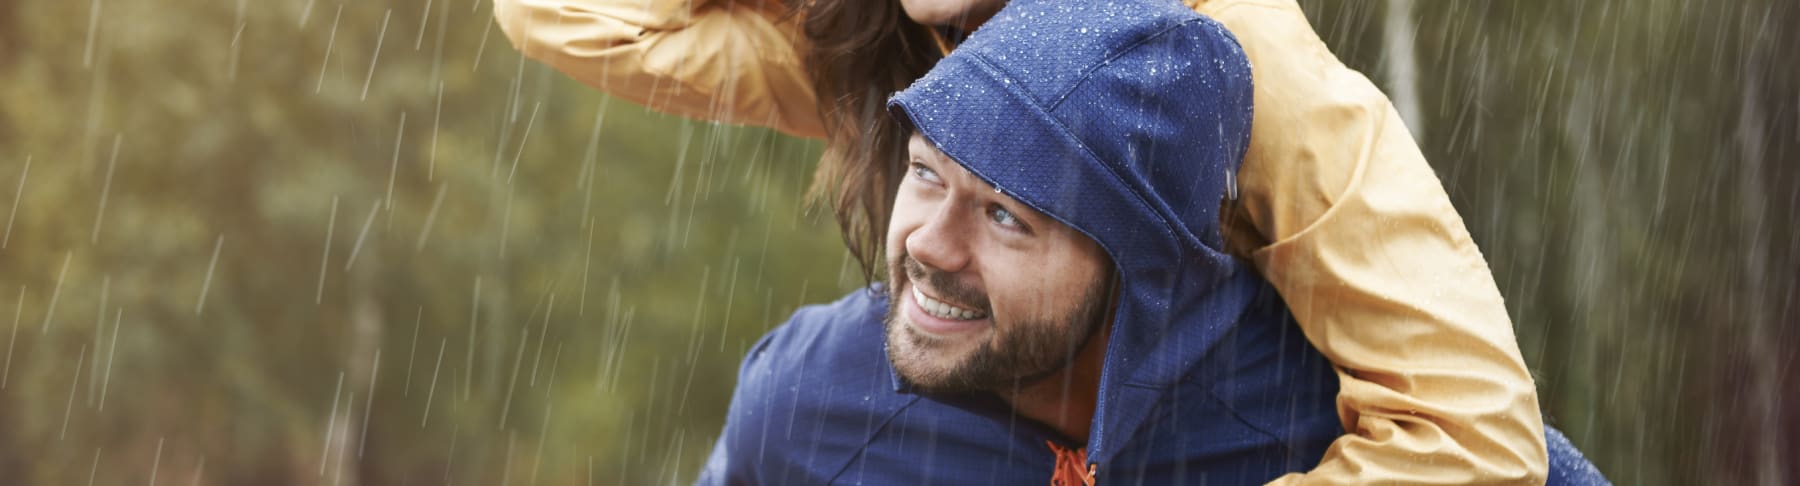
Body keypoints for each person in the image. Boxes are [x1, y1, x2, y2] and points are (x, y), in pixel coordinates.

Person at [495, 0, 1566, 483]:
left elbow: (1474, 436)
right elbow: (563, 11)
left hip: (1254, 433)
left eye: (1009, 206)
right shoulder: (891, 37)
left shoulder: (1238, 54)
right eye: (928, 169)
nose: (945, 226)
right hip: (1013, 408)